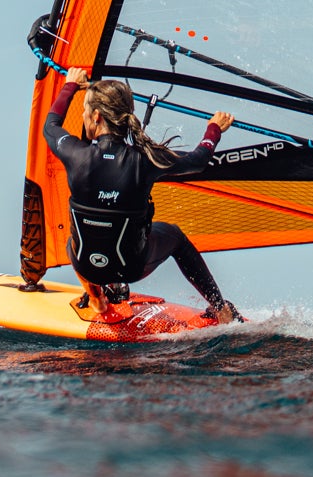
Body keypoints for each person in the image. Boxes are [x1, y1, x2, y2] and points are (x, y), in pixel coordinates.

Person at [43, 66, 243, 323]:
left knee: (74, 238)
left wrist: (70, 85)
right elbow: (198, 160)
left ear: (96, 116)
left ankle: (96, 298)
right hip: (132, 267)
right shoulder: (146, 159)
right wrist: (213, 129)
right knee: (174, 236)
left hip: (86, 265)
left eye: (85, 111)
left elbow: (50, 126)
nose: (83, 116)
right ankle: (220, 308)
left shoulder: (74, 153)